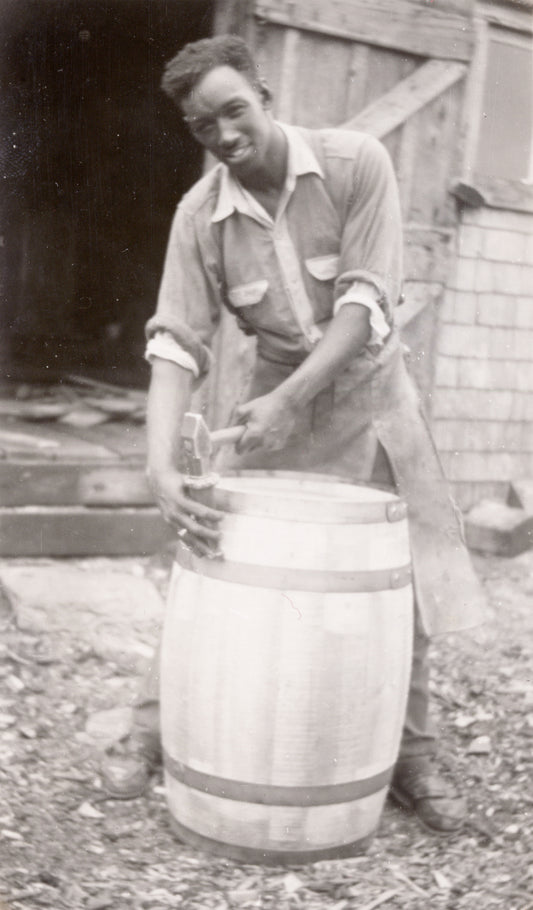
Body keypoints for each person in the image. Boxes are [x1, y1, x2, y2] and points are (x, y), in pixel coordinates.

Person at [101, 36, 486, 834]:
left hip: (377, 397)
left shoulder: (355, 165)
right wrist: (158, 465)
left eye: (234, 110)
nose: (224, 134)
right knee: (217, 555)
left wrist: (289, 401)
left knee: (411, 572)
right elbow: (175, 344)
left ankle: (410, 754)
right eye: (202, 126)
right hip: (275, 402)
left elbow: (365, 305)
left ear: (265, 96)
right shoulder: (199, 217)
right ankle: (152, 729)